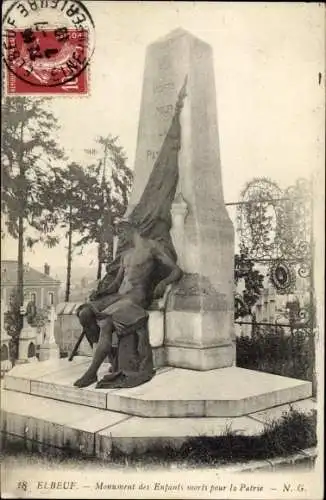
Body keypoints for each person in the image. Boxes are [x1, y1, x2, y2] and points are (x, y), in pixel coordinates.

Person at [74, 222, 183, 388]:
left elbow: (176, 271)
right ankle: (110, 354)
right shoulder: (126, 254)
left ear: (132, 230)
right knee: (85, 313)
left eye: (122, 232)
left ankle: (91, 373)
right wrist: (101, 293)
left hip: (137, 298)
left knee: (106, 321)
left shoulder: (151, 248)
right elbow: (117, 283)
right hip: (118, 297)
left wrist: (163, 283)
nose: (121, 236)